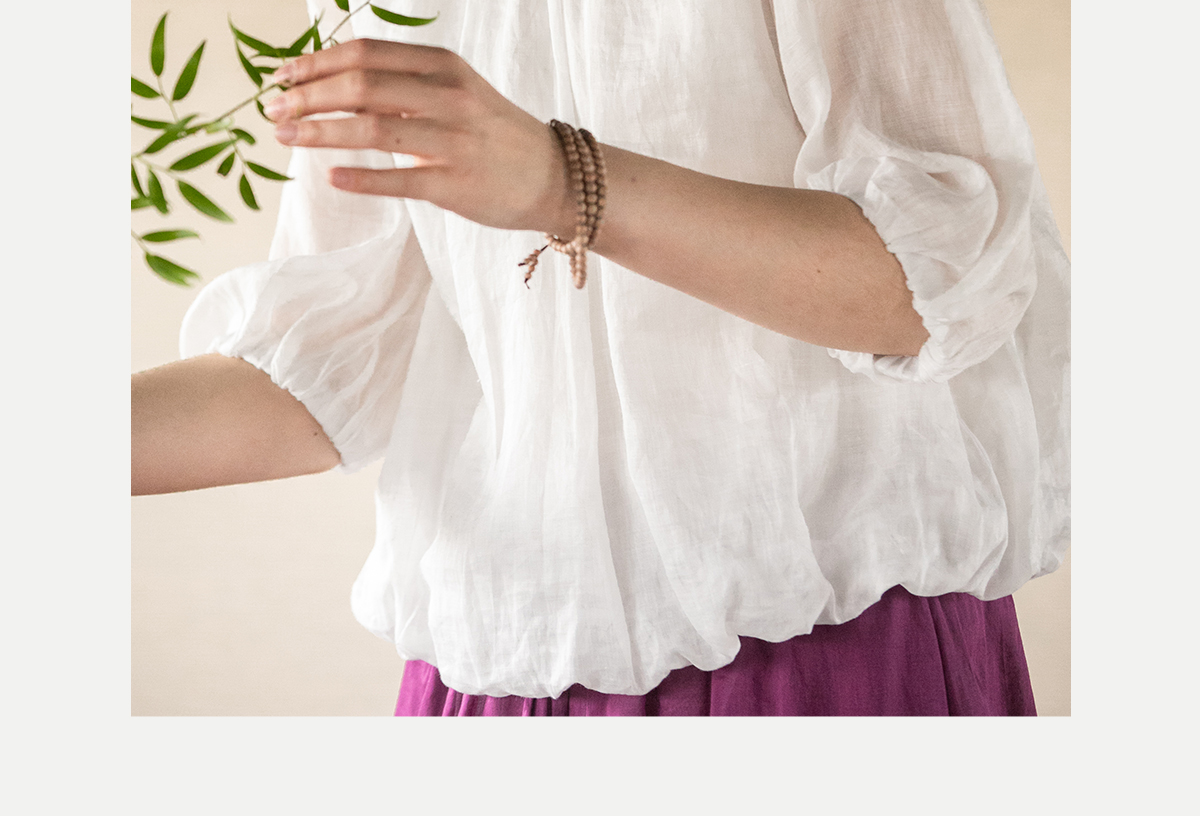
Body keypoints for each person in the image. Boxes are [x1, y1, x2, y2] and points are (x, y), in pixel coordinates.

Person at [132, 0, 1069, 715]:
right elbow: (319, 374)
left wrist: (560, 180)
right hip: (501, 663)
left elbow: (938, 284)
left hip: (820, 646)